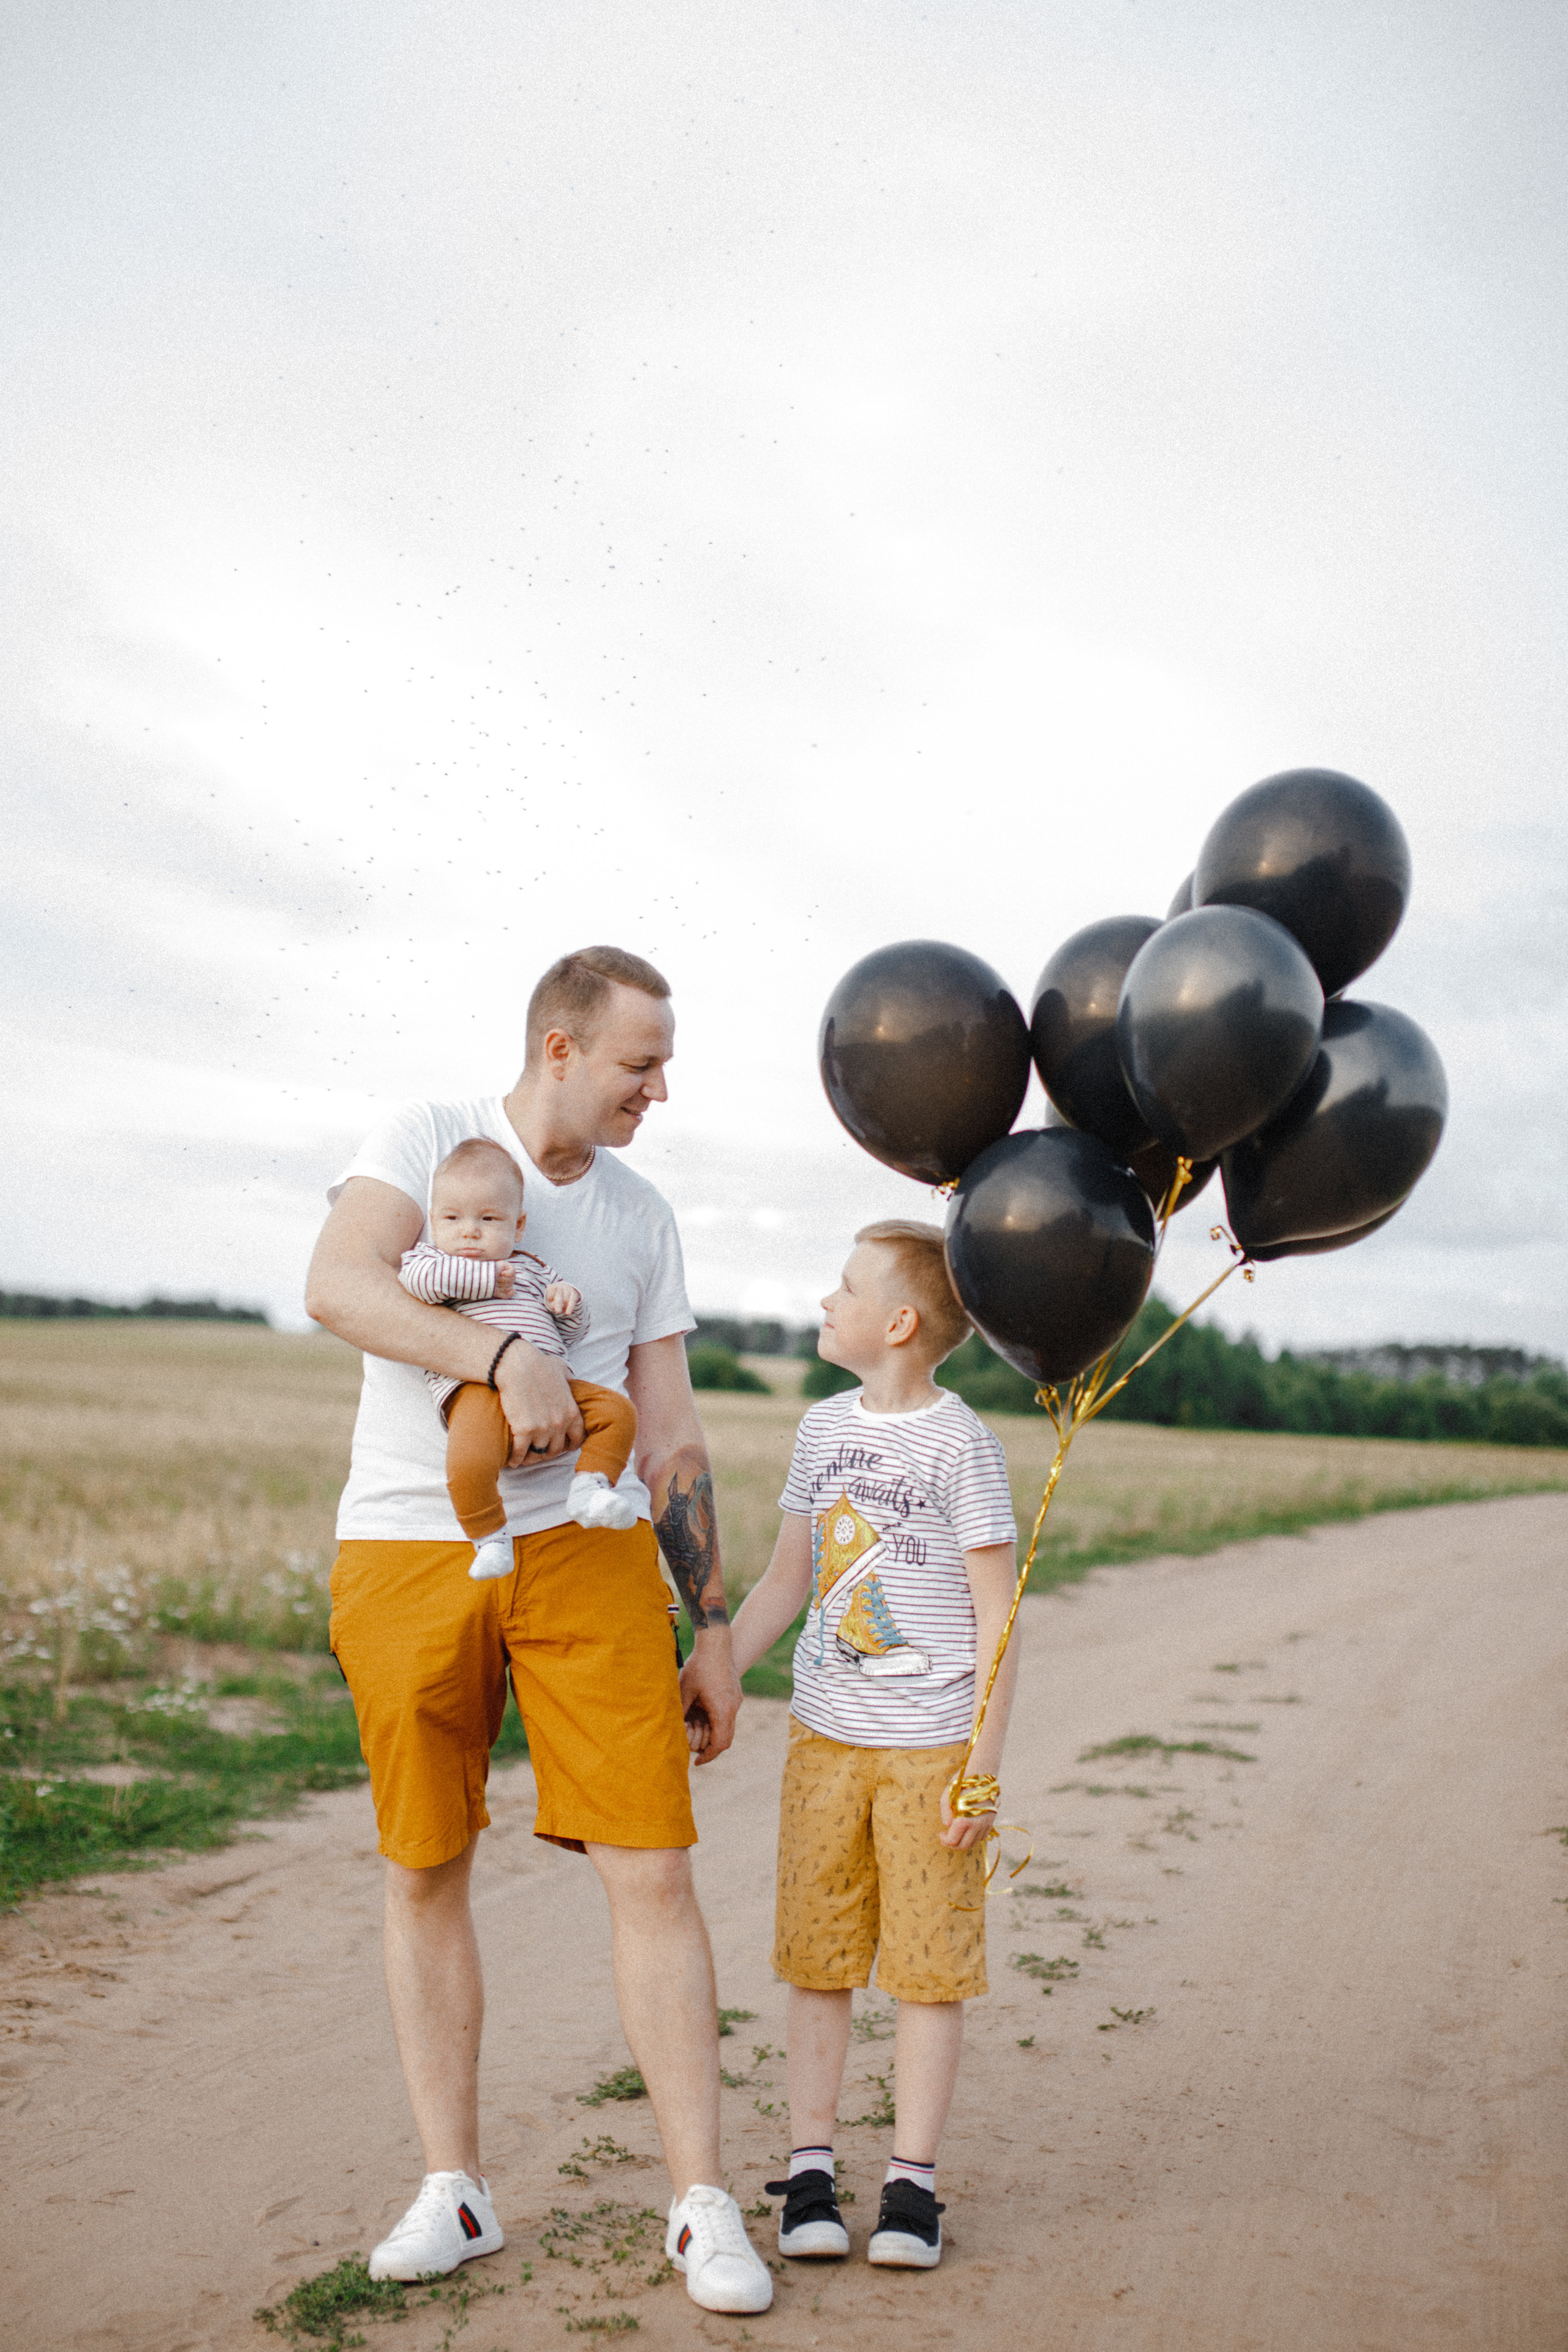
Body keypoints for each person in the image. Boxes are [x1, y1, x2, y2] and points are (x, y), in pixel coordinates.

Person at [304, 945, 771, 2317]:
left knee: (653, 1870)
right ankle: (452, 2188)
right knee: (423, 1863)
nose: (658, 1091)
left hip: (592, 1555)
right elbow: (340, 1284)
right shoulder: (424, 1143)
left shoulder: (642, 1218)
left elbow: (670, 1429)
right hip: (407, 1547)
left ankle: (700, 2207)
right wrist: (504, 1355)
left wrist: (715, 1623)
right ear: (558, 1050)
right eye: (640, 1063)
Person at [729, 1220, 1020, 2272]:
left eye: (843, 1288)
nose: (825, 1302)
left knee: (929, 1973)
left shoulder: (962, 1446)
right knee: (819, 1958)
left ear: (896, 1323)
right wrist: (713, 1667)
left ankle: (912, 2186)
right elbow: (784, 1584)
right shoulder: (820, 1431)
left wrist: (982, 1767)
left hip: (933, 1751)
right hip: (825, 1743)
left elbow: (999, 1617)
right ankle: (810, 2173)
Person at [397, 1136, 641, 1579]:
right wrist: (490, 1278)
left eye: (489, 1219)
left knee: (617, 1412)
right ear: (434, 1222)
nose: (469, 1230)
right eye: (452, 1218)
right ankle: (490, 1537)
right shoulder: (431, 1261)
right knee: (468, 1462)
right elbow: (421, 1282)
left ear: (518, 1225)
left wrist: (568, 1302)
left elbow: (571, 1335)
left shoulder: (532, 1269)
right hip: (473, 1388)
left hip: (553, 1384)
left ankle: (590, 1487)